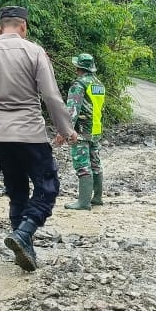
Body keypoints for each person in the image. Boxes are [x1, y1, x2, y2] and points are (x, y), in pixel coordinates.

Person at [0, 6, 78, 272]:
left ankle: (24, 246)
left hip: (0, 135)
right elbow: (51, 96)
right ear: (24, 27)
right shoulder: (35, 52)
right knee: (47, 186)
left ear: (0, 27)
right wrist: (65, 128)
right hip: (30, 133)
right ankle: (24, 233)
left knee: (16, 190)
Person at [63, 53, 106, 210]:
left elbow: (72, 109)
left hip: (81, 131)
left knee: (82, 165)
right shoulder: (99, 85)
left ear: (78, 67)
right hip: (96, 129)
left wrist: (66, 131)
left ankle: (83, 202)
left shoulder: (79, 84)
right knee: (96, 164)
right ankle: (97, 198)